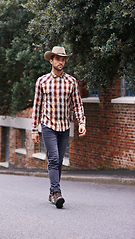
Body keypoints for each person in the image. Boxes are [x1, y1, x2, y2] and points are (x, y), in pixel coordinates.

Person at [32, 46, 86, 208]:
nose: (61, 62)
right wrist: (34, 129)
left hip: (64, 126)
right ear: (51, 60)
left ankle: (52, 191)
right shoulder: (42, 81)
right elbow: (37, 106)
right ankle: (57, 193)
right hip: (48, 125)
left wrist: (81, 122)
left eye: (63, 59)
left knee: (59, 160)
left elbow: (77, 104)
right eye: (58, 59)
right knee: (53, 159)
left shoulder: (71, 82)